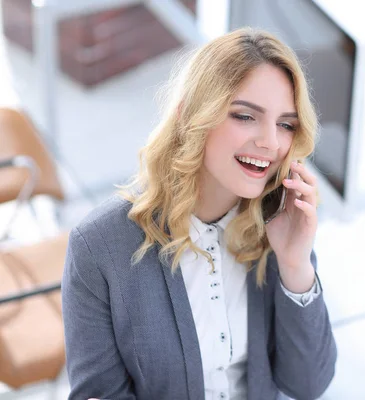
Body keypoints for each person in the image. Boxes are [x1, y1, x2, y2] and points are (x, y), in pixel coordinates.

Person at [61, 28, 337, 400]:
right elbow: (99, 392)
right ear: (191, 114)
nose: (271, 142)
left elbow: (308, 384)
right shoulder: (99, 247)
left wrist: (295, 264)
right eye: (245, 116)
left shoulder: (279, 223)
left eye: (285, 124)